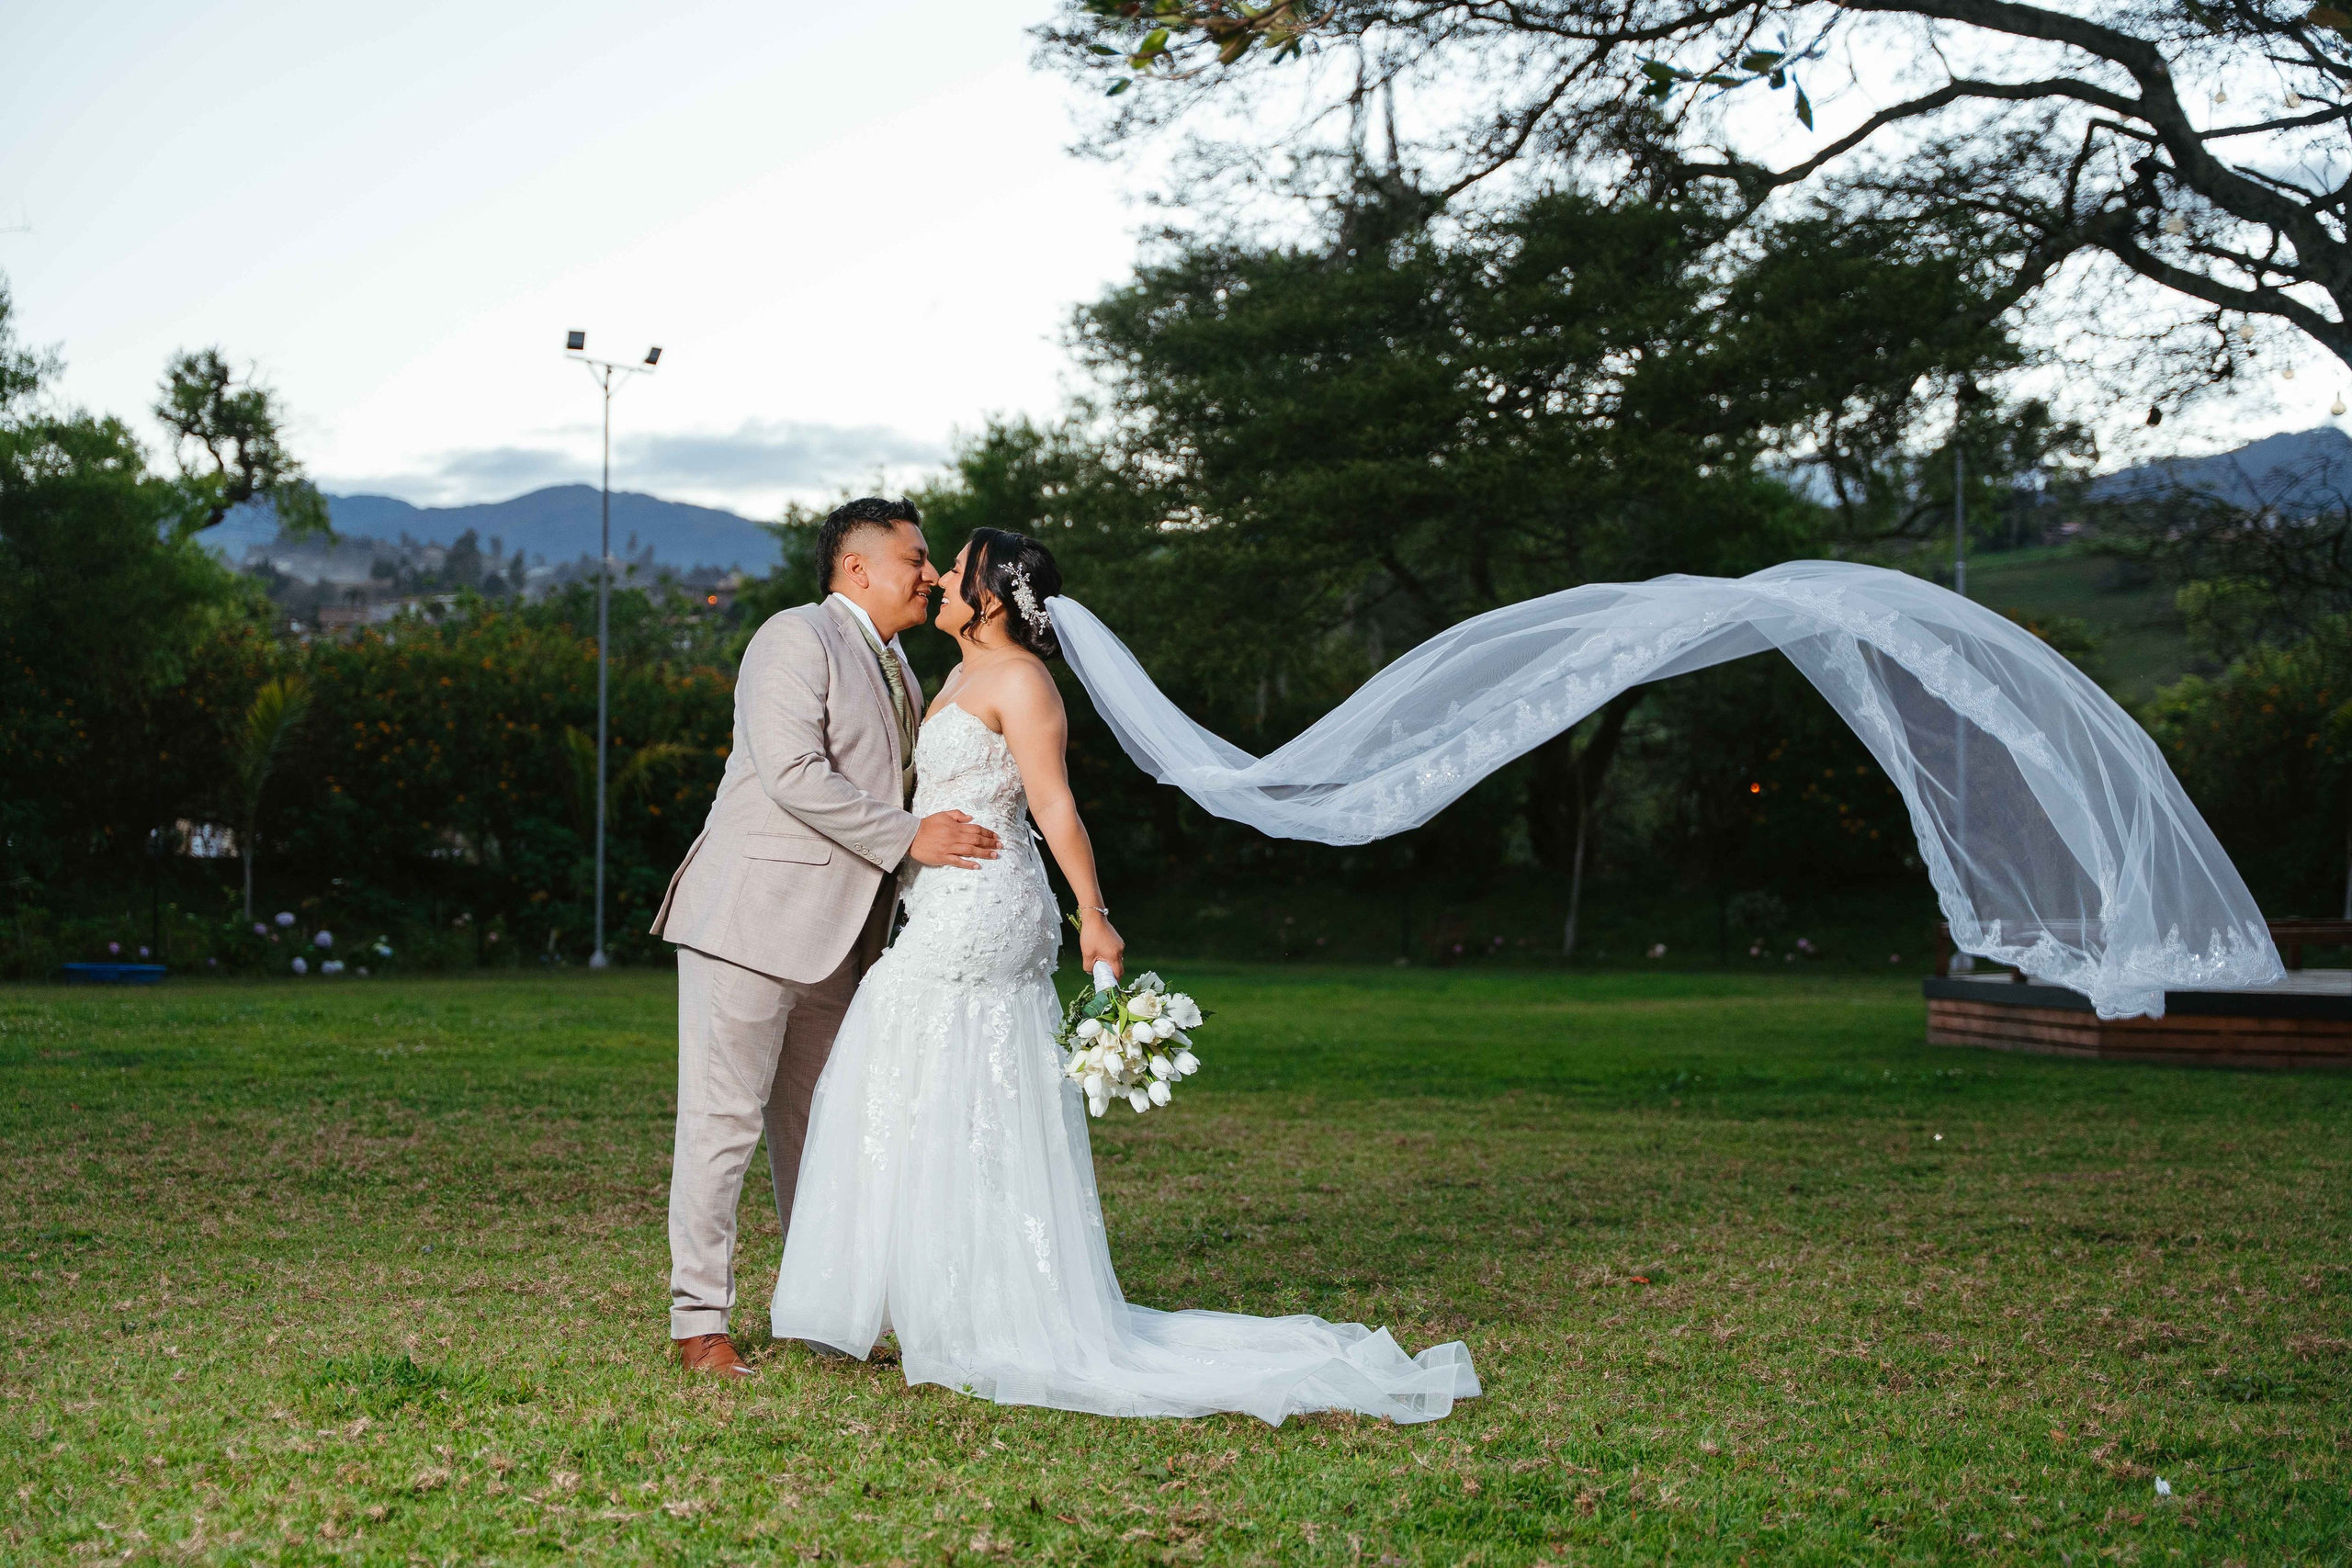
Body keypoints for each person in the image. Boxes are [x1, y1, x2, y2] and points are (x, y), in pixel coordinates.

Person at [769, 527, 1477, 1425]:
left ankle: (967, 1304)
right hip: (945, 900)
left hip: (986, 908)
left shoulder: (1022, 683)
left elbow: (1054, 803)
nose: (940, 578)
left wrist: (1093, 913)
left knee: (912, 1057)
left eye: (955, 569)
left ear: (990, 597)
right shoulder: (951, 677)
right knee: (927, 1078)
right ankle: (933, 1296)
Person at [648, 497, 1001, 1378]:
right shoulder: (793, 637)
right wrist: (908, 838)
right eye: (916, 558)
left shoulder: (904, 671)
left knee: (822, 1131)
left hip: (848, 938)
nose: (929, 574)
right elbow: (793, 772)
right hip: (752, 920)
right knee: (722, 1127)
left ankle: (820, 1314)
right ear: (857, 566)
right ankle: (700, 1324)